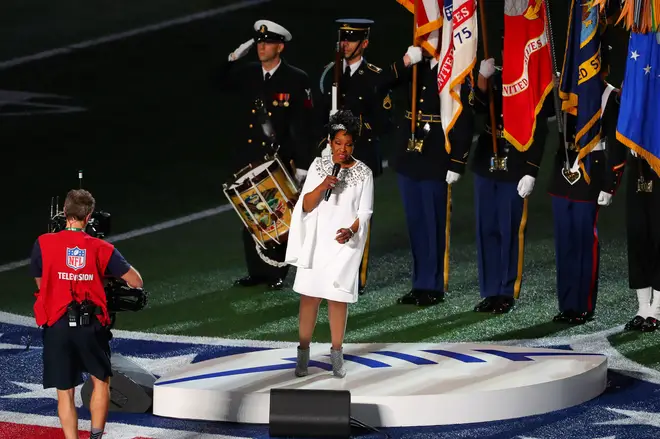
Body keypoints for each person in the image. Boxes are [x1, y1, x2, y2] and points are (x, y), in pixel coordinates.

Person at [30, 189, 143, 439]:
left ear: (64, 212)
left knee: (65, 391)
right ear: (89, 215)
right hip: (90, 325)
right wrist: (99, 274)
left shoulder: (43, 243)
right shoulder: (101, 247)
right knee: (101, 381)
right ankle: (95, 437)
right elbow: (136, 281)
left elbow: (42, 284)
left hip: (57, 327)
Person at [217, 20, 316, 290]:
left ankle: (277, 272)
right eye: (259, 42)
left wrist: (303, 164)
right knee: (251, 215)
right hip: (248, 156)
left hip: (277, 159)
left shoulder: (296, 78)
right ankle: (256, 271)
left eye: (267, 43)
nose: (261, 47)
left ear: (280, 47)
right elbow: (218, 83)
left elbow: (303, 125)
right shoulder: (247, 74)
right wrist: (232, 59)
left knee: (278, 216)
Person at [383, 46, 474, 307]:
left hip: (437, 153)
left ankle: (433, 286)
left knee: (434, 223)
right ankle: (419, 284)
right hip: (409, 154)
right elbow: (382, 83)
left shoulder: (457, 68)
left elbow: (465, 117)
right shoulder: (415, 66)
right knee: (416, 224)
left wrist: (457, 161)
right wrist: (406, 59)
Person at [285, 110, 374, 378]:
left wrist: (351, 231)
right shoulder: (318, 166)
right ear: (329, 142)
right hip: (317, 243)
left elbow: (365, 213)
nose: (342, 150)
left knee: (337, 301)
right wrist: (324, 184)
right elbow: (307, 204)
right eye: (338, 144)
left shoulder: (363, 173)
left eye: (348, 144)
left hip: (343, 247)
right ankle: (303, 354)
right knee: (310, 298)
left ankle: (337, 355)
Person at [548, 45, 626, 324]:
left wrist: (610, 184)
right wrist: (551, 85)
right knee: (564, 243)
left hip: (590, 174)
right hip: (563, 173)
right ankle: (567, 303)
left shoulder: (610, 97)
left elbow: (616, 146)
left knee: (583, 242)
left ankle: (583, 305)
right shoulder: (566, 92)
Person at [470, 49, 551, 315]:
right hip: (486, 163)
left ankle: (506, 292)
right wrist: (482, 78)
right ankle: (489, 291)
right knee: (486, 230)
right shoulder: (495, 78)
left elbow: (541, 126)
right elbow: (477, 107)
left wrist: (531, 169)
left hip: (515, 165)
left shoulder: (533, 83)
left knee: (509, 231)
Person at [317, 18, 392, 295]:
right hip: (333, 156)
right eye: (343, 39)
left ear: (365, 43)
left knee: (358, 218)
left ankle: (355, 277)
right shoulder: (331, 73)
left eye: (351, 39)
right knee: (330, 212)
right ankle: (330, 270)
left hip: (361, 158)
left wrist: (352, 127)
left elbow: (385, 122)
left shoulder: (375, 76)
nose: (345, 44)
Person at [623, 139, 660, 332]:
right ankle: (643, 307)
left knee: (658, 238)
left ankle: (657, 310)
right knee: (638, 237)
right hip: (637, 167)